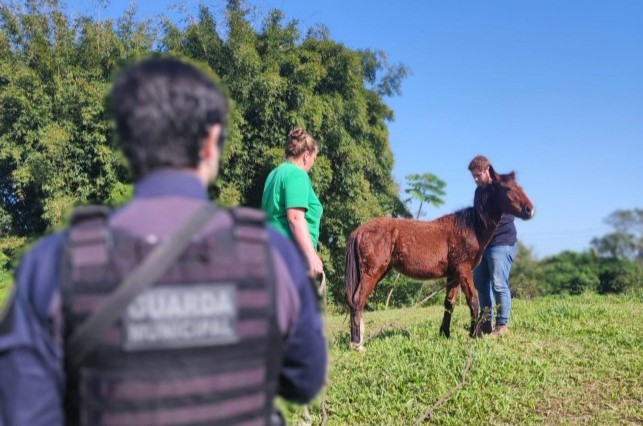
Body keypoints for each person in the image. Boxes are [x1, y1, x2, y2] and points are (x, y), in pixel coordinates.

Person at [0, 57, 326, 425]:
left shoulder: (52, 264)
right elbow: (304, 379)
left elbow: (21, 410)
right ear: (210, 143)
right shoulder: (270, 255)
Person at [261, 128, 323, 277]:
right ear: (306, 156)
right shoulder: (297, 175)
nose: (312, 164)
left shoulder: (274, 174)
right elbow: (295, 218)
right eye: (314, 159)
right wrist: (311, 255)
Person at [469, 155, 518, 337]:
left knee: (498, 283)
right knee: (481, 283)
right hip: (484, 245)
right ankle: (486, 322)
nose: (475, 179)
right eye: (473, 176)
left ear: (487, 170)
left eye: (478, 175)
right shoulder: (478, 192)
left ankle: (502, 325)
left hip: (502, 242)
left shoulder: (501, 186)